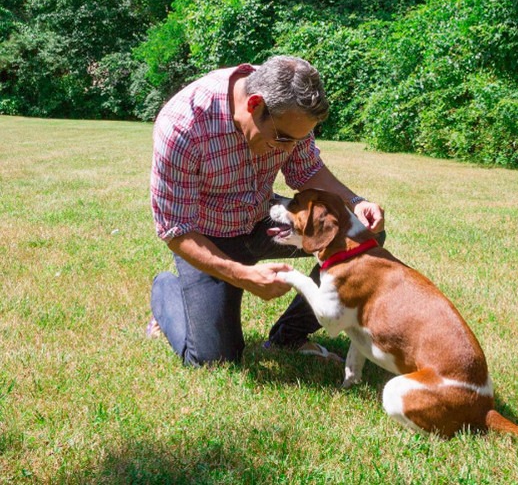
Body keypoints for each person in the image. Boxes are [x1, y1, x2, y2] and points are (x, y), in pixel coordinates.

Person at [148, 55, 385, 366]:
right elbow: (175, 229)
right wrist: (242, 275)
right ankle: (168, 290)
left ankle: (289, 335)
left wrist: (356, 202)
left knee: (363, 238)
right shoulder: (184, 125)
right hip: (209, 237)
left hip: (265, 220)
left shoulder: (289, 107)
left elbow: (306, 170)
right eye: (283, 139)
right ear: (254, 105)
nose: (288, 150)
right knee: (213, 359)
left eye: (297, 140)